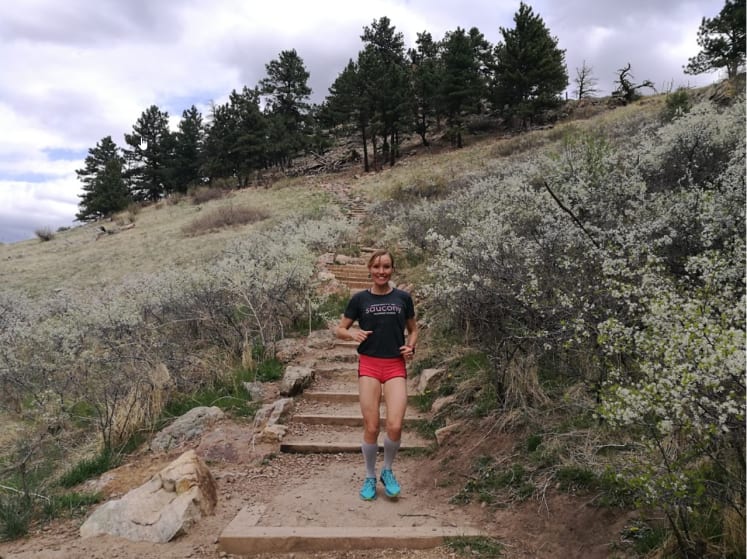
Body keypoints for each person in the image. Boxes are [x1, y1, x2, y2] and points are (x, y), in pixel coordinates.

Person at [335, 249, 418, 501]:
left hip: (395, 366)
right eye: (377, 267)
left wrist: (411, 346)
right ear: (369, 269)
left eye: (386, 267)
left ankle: (388, 471)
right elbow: (340, 329)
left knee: (395, 425)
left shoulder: (403, 298)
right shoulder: (359, 299)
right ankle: (370, 475)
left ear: (392, 269)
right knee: (371, 426)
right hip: (369, 365)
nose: (381, 272)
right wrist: (352, 334)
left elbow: (413, 329)